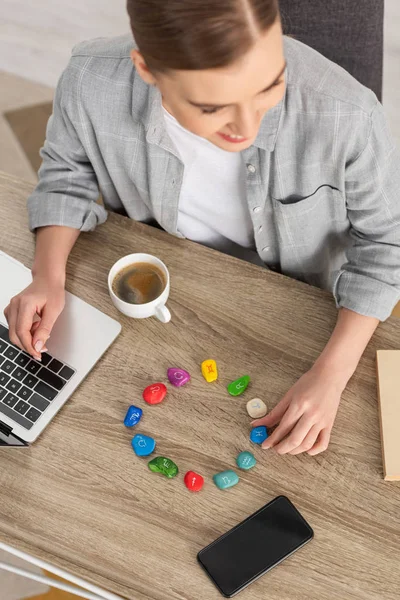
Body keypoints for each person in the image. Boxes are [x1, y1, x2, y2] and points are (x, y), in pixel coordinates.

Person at [4, 0, 400, 456]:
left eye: (270, 85)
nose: (250, 126)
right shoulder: (91, 80)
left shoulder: (347, 114)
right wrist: (47, 276)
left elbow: (387, 242)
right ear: (146, 68)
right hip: (173, 291)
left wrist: (331, 374)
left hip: (305, 309)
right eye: (213, 107)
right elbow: (66, 174)